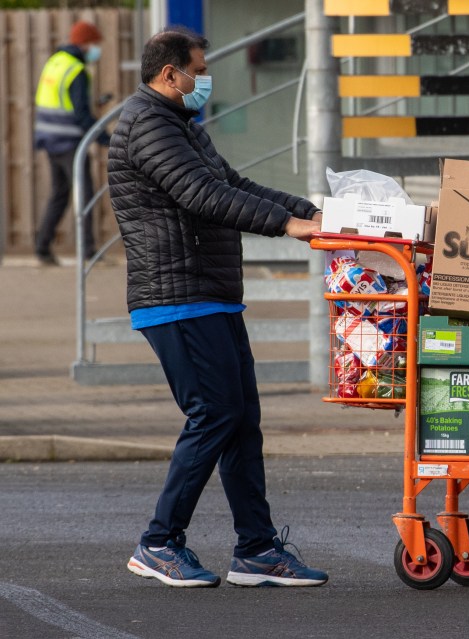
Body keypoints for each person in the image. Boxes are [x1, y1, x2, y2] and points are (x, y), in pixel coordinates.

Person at [108, 26, 327, 588]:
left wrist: (315, 212)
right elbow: (203, 197)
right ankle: (158, 542)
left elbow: (234, 183)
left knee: (241, 423)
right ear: (169, 74)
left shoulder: (181, 125)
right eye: (199, 71)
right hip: (175, 298)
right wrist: (289, 226)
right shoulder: (146, 125)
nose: (205, 80)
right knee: (214, 415)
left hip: (212, 295)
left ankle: (255, 550)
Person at [34, 20, 108, 265]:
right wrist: (107, 139)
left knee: (60, 194)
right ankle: (88, 251)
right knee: (85, 194)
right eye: (95, 44)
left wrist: (93, 103)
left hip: (49, 138)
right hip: (68, 141)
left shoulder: (55, 62)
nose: (97, 49)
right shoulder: (76, 69)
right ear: (86, 43)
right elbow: (80, 115)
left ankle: (42, 247)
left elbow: (60, 102)